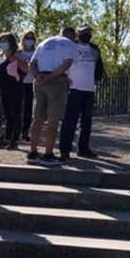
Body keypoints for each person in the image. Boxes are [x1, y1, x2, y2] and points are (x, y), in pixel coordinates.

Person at [27, 27, 76, 166]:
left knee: (38, 117)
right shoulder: (69, 44)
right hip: (56, 81)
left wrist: (37, 76)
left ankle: (33, 152)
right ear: (71, 35)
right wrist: (50, 77)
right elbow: (67, 64)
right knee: (53, 118)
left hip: (39, 80)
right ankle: (48, 154)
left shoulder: (45, 42)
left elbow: (32, 63)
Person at [59, 23, 105, 162]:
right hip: (73, 89)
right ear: (78, 33)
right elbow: (61, 63)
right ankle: (65, 150)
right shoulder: (70, 47)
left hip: (89, 89)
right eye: (85, 32)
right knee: (70, 121)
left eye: (89, 32)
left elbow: (99, 66)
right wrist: (64, 78)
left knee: (87, 121)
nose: (88, 34)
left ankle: (83, 148)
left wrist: (97, 78)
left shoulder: (94, 48)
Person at [0, 33, 28, 150]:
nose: (3, 43)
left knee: (15, 114)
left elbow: (26, 68)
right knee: (8, 115)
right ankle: (7, 138)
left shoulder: (16, 54)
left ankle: (15, 140)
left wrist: (16, 60)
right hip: (4, 89)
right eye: (1, 41)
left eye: (5, 41)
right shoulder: (1, 56)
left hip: (15, 88)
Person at [19, 31, 37, 141]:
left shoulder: (36, 53)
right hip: (19, 82)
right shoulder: (19, 53)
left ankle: (25, 131)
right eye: (27, 38)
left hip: (32, 83)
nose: (29, 40)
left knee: (28, 108)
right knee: (17, 107)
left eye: (31, 38)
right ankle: (15, 130)